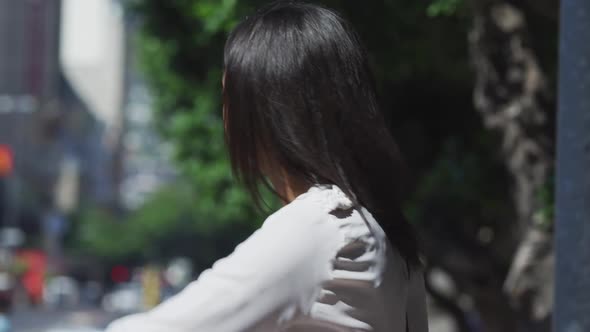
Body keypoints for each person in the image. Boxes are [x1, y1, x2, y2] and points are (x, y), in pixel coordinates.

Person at [106, 1, 428, 331]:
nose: (225, 117)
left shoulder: (318, 229)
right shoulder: (384, 231)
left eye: (228, 96)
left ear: (260, 112)